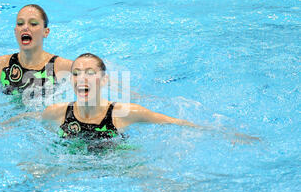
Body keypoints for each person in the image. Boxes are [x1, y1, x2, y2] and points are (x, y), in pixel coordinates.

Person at [42, 53, 261, 143]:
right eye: (76, 73)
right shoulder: (57, 112)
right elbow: (26, 119)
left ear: (104, 80)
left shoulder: (124, 114)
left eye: (90, 73)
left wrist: (226, 134)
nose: (82, 79)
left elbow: (175, 123)